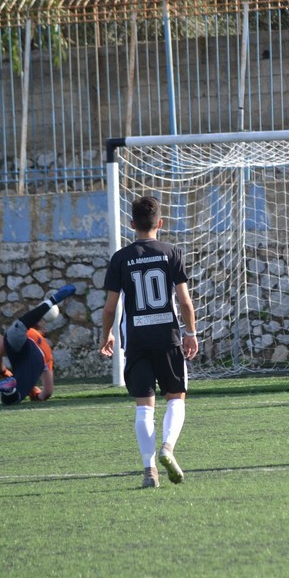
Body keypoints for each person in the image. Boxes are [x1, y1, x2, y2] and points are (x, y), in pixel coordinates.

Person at [99, 195, 198, 489]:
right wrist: (190, 334)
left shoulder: (120, 258)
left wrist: (106, 334)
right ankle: (167, 447)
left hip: (137, 340)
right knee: (176, 397)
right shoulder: (171, 252)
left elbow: (109, 307)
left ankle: (149, 470)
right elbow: (184, 301)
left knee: (144, 407)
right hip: (167, 336)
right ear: (160, 223)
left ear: (132, 224)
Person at [0, 285, 75, 406]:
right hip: (38, 354)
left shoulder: (28, 331)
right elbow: (48, 391)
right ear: (44, 331)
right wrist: (37, 395)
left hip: (17, 334)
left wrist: (2, 372)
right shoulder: (46, 349)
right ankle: (10, 389)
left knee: (20, 326)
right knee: (13, 397)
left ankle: (52, 300)